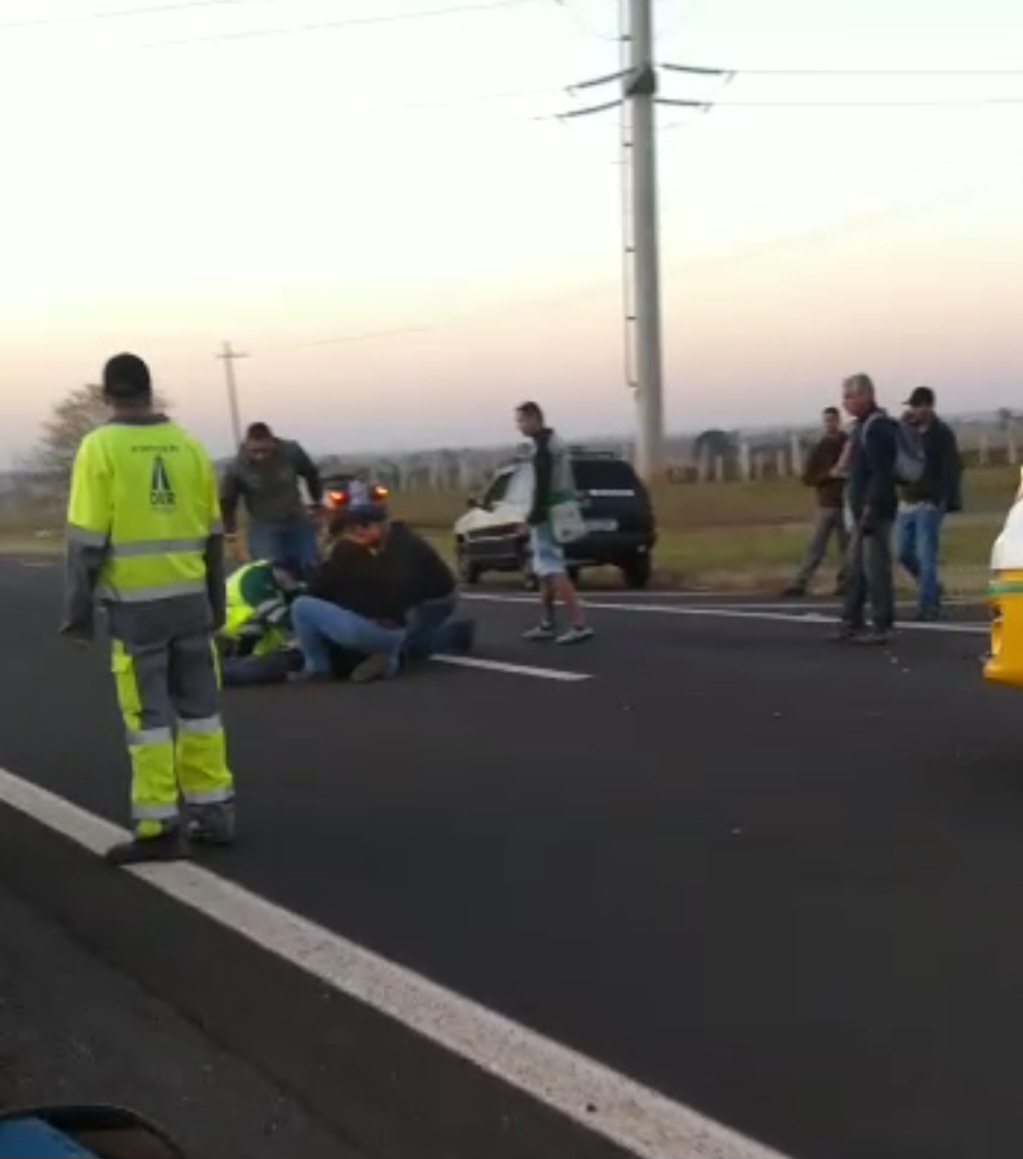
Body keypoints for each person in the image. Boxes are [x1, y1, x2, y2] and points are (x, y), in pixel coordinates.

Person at [60, 353, 235, 864]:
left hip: (137, 611)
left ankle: (159, 825)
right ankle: (215, 813)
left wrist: (77, 615)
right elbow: (214, 536)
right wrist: (216, 606)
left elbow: (84, 541)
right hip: (191, 604)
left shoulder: (100, 448)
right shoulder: (189, 445)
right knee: (201, 712)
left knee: (149, 718)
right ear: (150, 389)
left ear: (105, 394)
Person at [289, 506, 407, 684]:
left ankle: (317, 668)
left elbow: (315, 590)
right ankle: (388, 659)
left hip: (368, 630)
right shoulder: (376, 555)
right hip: (397, 632)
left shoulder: (342, 553)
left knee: (301, 606)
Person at [514, 402, 593, 645]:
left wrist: (531, 519)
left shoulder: (544, 450)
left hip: (549, 514)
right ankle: (547, 622)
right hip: (558, 508)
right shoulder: (554, 443)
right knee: (544, 571)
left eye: (521, 421)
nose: (519, 426)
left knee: (553, 567)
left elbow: (543, 487)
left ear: (535, 419)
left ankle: (579, 623)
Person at [835, 373, 898, 644]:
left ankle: (882, 625)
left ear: (866, 395)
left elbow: (881, 473)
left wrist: (871, 508)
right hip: (861, 508)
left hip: (874, 510)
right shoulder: (861, 427)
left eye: (850, 396)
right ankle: (852, 620)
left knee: (875, 569)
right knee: (856, 569)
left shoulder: (876, 428)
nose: (845, 402)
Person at [220, 421, 324, 577]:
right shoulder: (237, 466)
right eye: (255, 451)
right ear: (247, 447)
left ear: (273, 443)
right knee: (271, 571)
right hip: (263, 523)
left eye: (265, 450)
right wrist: (230, 533)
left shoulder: (291, 451)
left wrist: (317, 503)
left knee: (310, 566)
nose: (260, 456)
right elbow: (228, 500)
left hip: (296, 518)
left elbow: (311, 473)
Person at [896, 386, 962, 621]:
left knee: (926, 555)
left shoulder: (941, 433)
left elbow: (951, 468)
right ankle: (931, 586)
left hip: (929, 501)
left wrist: (941, 498)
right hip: (908, 500)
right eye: (911, 406)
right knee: (903, 552)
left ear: (928, 406)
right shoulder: (909, 431)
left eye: (917, 405)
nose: (913, 410)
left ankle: (927, 607)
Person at [379, 518, 476, 660]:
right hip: (418, 597)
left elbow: (405, 586)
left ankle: (459, 632)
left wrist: (393, 617)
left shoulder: (401, 548)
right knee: (401, 637)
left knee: (414, 646)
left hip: (436, 598)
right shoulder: (387, 543)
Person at [783, 406, 850, 597]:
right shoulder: (820, 447)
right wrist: (828, 475)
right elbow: (807, 478)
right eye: (827, 420)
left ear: (839, 421)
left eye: (833, 420)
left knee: (848, 547)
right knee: (816, 546)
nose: (831, 424)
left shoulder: (848, 443)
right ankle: (801, 581)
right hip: (826, 503)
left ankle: (845, 583)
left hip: (845, 503)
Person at [219, 559, 305, 686]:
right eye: (293, 580)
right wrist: (306, 636)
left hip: (252, 630)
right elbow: (277, 615)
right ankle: (233, 661)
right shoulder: (255, 580)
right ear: (281, 572)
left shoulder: (276, 577)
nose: (294, 585)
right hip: (230, 626)